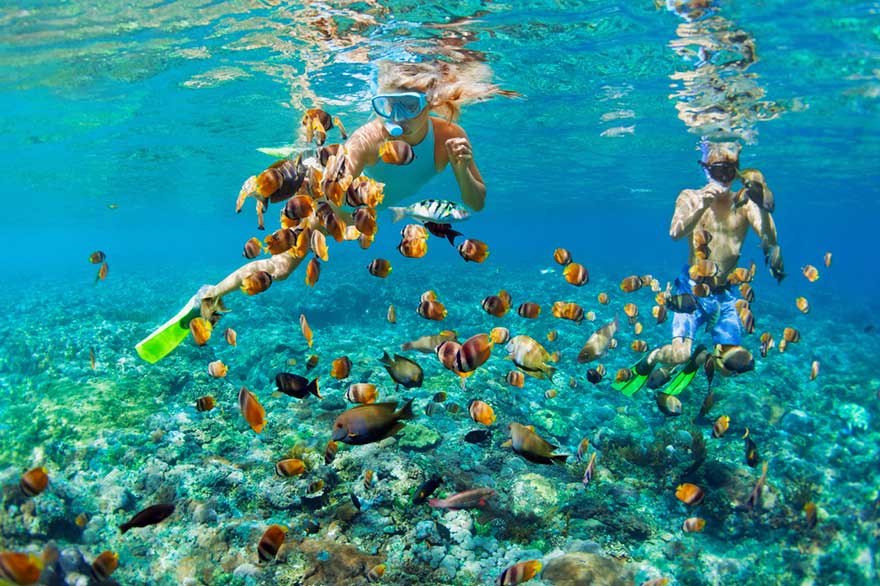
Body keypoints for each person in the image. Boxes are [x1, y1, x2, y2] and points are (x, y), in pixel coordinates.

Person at [136, 60, 510, 364]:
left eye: (407, 106)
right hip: (325, 195)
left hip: (362, 213)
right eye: (386, 105)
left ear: (429, 102)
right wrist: (335, 221)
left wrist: (462, 168)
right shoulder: (371, 136)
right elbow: (335, 187)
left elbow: (475, 203)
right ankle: (209, 294)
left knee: (284, 268)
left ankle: (214, 292)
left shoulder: (448, 137)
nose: (395, 116)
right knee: (281, 268)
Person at [613, 140, 784, 396]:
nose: (725, 177)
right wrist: (703, 204)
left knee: (729, 367)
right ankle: (651, 360)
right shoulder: (690, 196)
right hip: (692, 290)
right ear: (705, 168)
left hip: (725, 293)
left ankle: (701, 357)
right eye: (718, 170)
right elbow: (675, 232)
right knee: (679, 354)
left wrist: (762, 203)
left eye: (730, 170)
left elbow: (769, 239)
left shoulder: (745, 204)